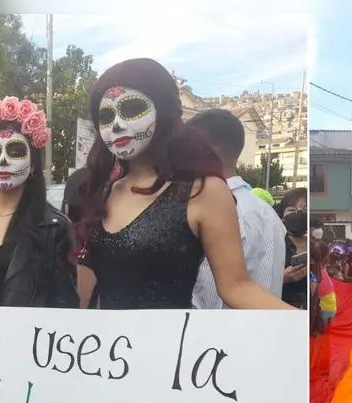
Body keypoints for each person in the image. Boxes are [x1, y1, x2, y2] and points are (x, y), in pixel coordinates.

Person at [73, 58, 292, 310]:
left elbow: (237, 287)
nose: (117, 124)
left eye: (132, 109)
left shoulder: (203, 190)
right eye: (106, 116)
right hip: (106, 346)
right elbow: (85, 291)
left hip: (174, 346)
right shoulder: (104, 192)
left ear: (164, 111)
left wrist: (298, 326)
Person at [0, 95, 78, 308]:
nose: (3, 160)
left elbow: (65, 308)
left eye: (15, 151)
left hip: (25, 340)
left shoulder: (55, 229)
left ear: (33, 165)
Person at [187, 108, 285, 309]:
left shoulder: (207, 213)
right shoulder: (268, 213)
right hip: (264, 332)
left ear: (202, 151)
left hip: (211, 337)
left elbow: (205, 297)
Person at [278, 187, 309, 307]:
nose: (299, 213)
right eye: (292, 210)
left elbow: (318, 275)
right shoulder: (275, 240)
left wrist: (312, 280)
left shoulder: (315, 244)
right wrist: (282, 279)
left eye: (305, 209)